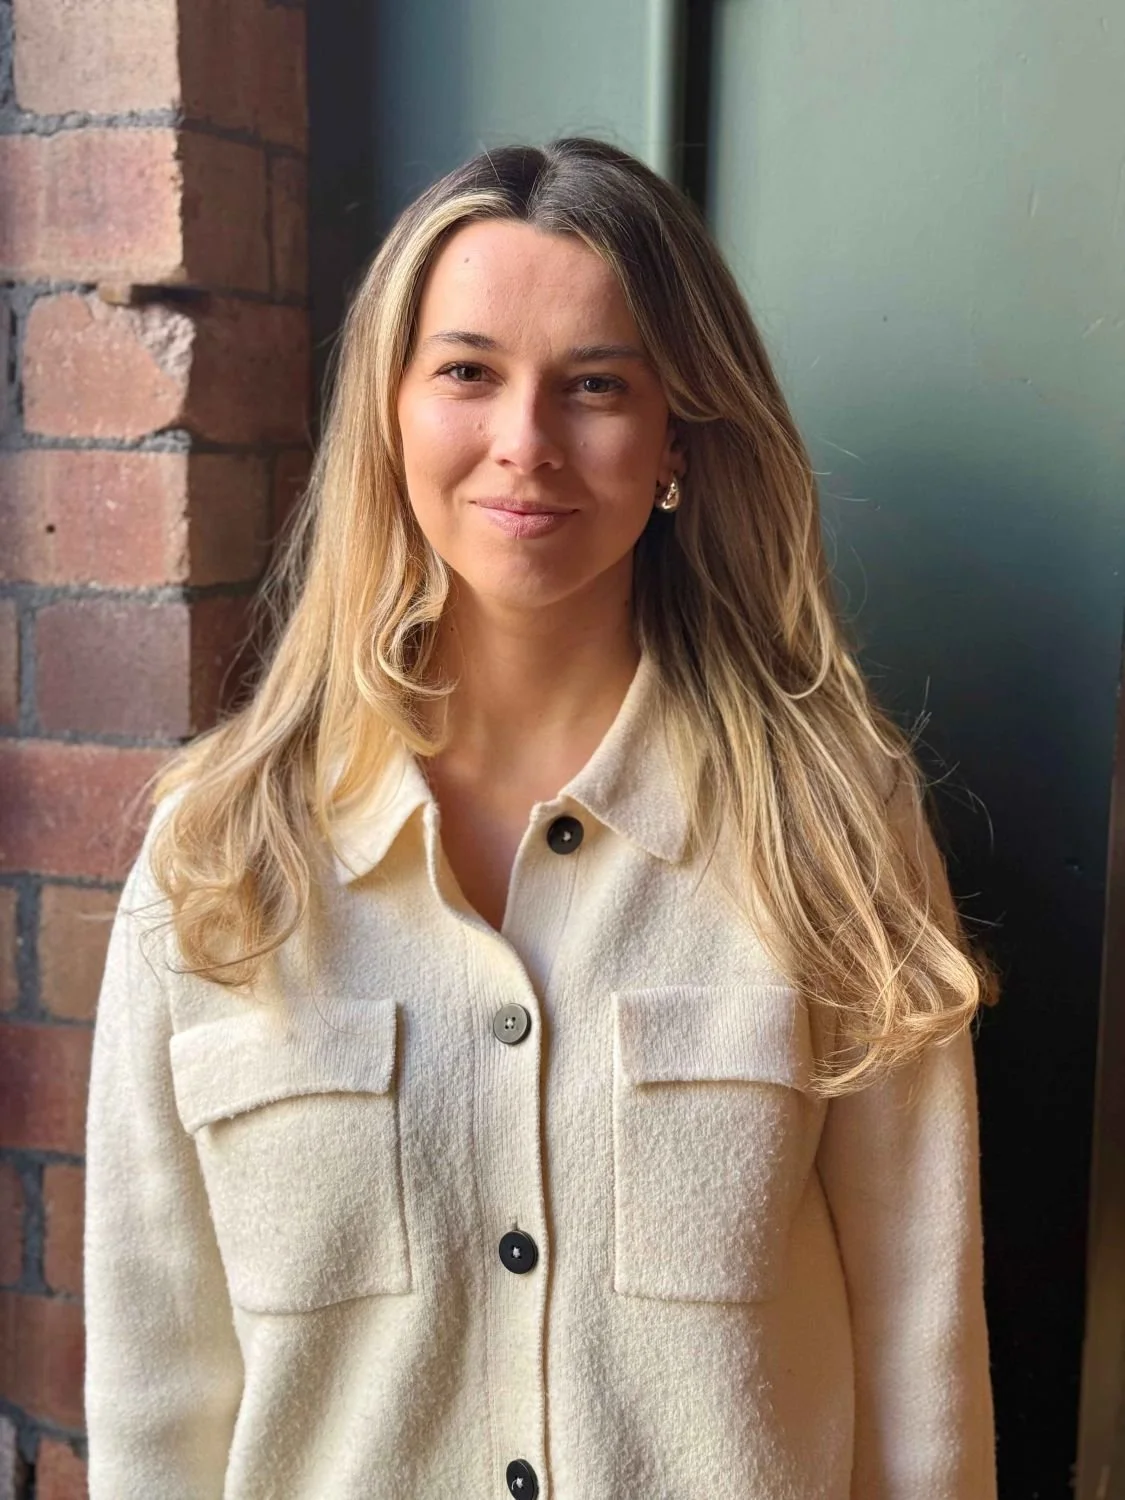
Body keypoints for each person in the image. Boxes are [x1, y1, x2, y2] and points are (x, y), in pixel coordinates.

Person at [84, 136, 997, 1499]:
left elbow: (922, 1357)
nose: (526, 443)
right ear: (392, 416)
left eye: (596, 387)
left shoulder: (829, 829)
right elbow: (158, 1389)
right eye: (467, 372)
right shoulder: (216, 857)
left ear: (678, 433)